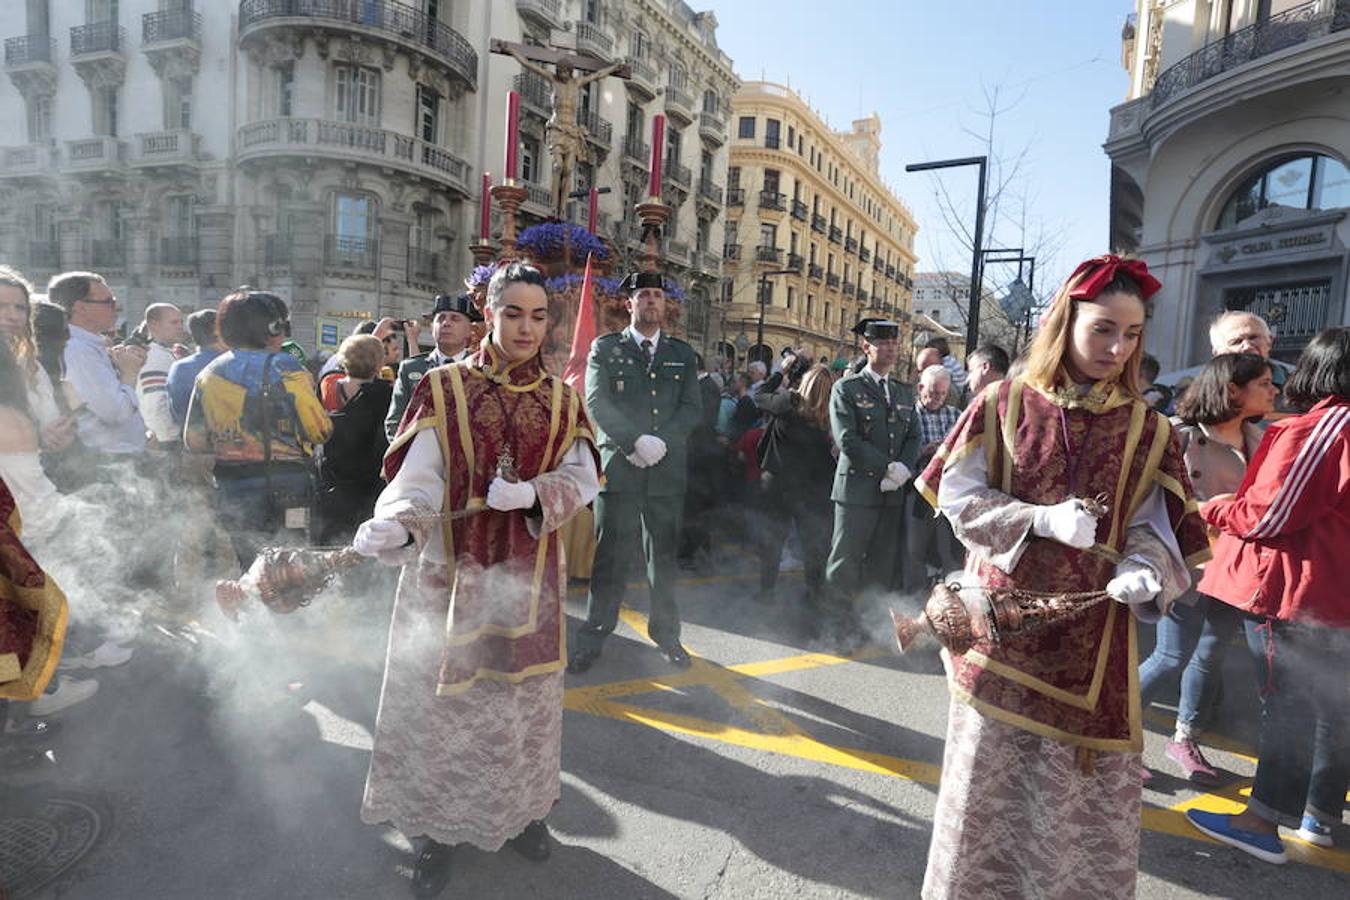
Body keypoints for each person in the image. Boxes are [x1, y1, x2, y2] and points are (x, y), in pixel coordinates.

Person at [914, 254, 1209, 900]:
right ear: (1065, 321)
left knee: (1070, 812)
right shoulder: (1003, 402)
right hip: (1002, 640)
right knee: (987, 796)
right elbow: (957, 499)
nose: (1117, 347)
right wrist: (1038, 520)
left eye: (1131, 334)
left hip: (1093, 652)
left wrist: (1143, 566)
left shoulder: (1151, 428)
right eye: (1103, 329)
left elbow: (1161, 531)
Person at [350, 262, 601, 895]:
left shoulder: (565, 399)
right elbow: (418, 481)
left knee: (520, 712)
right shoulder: (442, 387)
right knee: (438, 712)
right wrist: (397, 525)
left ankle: (521, 817)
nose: (526, 327)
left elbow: (585, 478)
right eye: (512, 312)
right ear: (486, 313)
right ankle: (431, 832)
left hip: (531, 580)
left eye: (539, 316)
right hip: (447, 579)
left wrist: (534, 494)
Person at [1186, 327, 1350, 863]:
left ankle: (1261, 821)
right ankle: (1318, 816)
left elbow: (1271, 515)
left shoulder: (1325, 426)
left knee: (1289, 707)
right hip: (1329, 591)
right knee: (1328, 707)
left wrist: (1213, 508)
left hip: (1296, 589)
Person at [1138, 353, 1275, 785]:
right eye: (1265, 383)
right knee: (1171, 655)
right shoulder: (1180, 436)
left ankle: (1185, 738)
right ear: (1233, 390)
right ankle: (1111, 734)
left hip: (1235, 570)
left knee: (1210, 654)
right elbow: (1147, 503)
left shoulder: (1263, 440)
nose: (1274, 391)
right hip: (1186, 565)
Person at [569, 271, 702, 673]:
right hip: (621, 469)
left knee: (662, 562)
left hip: (664, 471)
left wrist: (661, 443)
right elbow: (597, 400)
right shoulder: (606, 349)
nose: (650, 301)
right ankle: (592, 636)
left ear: (665, 305)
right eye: (642, 294)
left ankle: (668, 637)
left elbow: (691, 408)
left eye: (656, 295)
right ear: (629, 304)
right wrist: (633, 442)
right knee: (610, 559)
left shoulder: (681, 354)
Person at [184, 289, 332, 568]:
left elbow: (194, 440)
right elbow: (319, 431)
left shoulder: (208, 374)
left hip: (232, 489)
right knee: (292, 567)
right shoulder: (286, 367)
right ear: (273, 328)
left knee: (251, 567)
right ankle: (290, 612)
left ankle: (253, 610)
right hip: (289, 487)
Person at [824, 319, 921, 646]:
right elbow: (847, 440)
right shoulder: (846, 388)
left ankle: (869, 627)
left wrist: (904, 469)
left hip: (891, 494)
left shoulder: (904, 390)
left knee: (881, 566)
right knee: (844, 564)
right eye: (883, 344)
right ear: (866, 348)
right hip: (856, 492)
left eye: (895, 343)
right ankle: (837, 628)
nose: (891, 349)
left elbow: (913, 435)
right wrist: (888, 467)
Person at [754, 363, 836, 612]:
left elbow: (759, 395)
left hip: (777, 482)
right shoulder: (828, 417)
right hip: (811, 488)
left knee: (773, 540)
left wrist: (782, 371)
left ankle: (766, 591)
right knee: (812, 543)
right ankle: (815, 595)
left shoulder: (788, 403)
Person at [48, 271, 147, 459]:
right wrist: (129, 373)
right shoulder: (78, 350)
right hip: (109, 461)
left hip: (117, 457)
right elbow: (116, 413)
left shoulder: (88, 346)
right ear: (80, 308)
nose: (116, 307)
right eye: (109, 301)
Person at [316, 334, 392, 545]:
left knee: (331, 546)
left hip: (331, 481)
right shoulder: (385, 394)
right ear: (379, 362)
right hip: (369, 486)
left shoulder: (327, 386)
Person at [385, 293, 482, 441]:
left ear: (470, 330)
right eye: (440, 318)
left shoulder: (480, 369)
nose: (446, 323)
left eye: (455, 318)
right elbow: (394, 422)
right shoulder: (411, 368)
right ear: (432, 328)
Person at [902, 365, 963, 592]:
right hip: (917, 489)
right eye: (932, 393)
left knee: (949, 548)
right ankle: (913, 597)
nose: (937, 398)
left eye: (942, 394)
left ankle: (954, 594)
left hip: (948, 491)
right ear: (920, 388)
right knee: (914, 547)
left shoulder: (955, 415)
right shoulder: (909, 415)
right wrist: (924, 451)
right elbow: (900, 454)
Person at [133, 303, 186, 448]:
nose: (180, 326)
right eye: (174, 322)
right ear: (154, 325)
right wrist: (167, 438)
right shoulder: (155, 356)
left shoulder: (163, 353)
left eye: (181, 322)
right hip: (164, 441)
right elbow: (155, 402)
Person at [167, 309, 226, 425]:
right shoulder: (232, 364)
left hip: (190, 437)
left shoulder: (179, 368)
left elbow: (177, 412)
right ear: (218, 332)